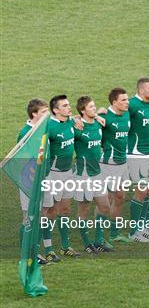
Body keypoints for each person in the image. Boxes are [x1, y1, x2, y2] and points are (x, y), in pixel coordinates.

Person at [73, 96, 113, 253]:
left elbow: (106, 111)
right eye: (91, 107)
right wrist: (75, 118)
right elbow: (59, 121)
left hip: (97, 173)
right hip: (83, 175)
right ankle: (86, 244)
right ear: (83, 110)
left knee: (104, 207)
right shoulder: (77, 127)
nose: (94, 108)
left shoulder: (98, 122)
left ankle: (98, 241)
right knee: (83, 210)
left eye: (94, 106)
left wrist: (98, 114)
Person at [17, 99, 53, 264]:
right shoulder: (27, 132)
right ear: (34, 114)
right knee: (29, 217)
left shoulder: (43, 129)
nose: (48, 115)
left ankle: (35, 251)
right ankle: (27, 254)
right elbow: (24, 160)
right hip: (30, 181)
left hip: (44, 179)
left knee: (42, 214)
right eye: (44, 112)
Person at [48, 95, 82, 257]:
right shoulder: (49, 127)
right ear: (55, 110)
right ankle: (48, 249)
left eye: (69, 105)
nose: (69, 107)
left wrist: (97, 113)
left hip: (69, 172)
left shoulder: (69, 122)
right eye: (65, 105)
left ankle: (65, 246)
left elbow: (78, 117)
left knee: (66, 209)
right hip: (54, 175)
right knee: (52, 211)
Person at [127, 77, 149, 242]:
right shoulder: (132, 105)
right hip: (137, 155)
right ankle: (133, 232)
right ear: (141, 91)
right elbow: (116, 116)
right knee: (141, 192)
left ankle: (143, 226)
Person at [99, 88, 133, 242]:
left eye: (127, 99)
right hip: (108, 163)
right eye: (123, 100)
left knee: (120, 197)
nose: (127, 103)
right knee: (104, 200)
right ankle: (100, 236)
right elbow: (83, 120)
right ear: (114, 102)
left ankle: (114, 234)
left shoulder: (126, 113)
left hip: (122, 162)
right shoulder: (104, 117)